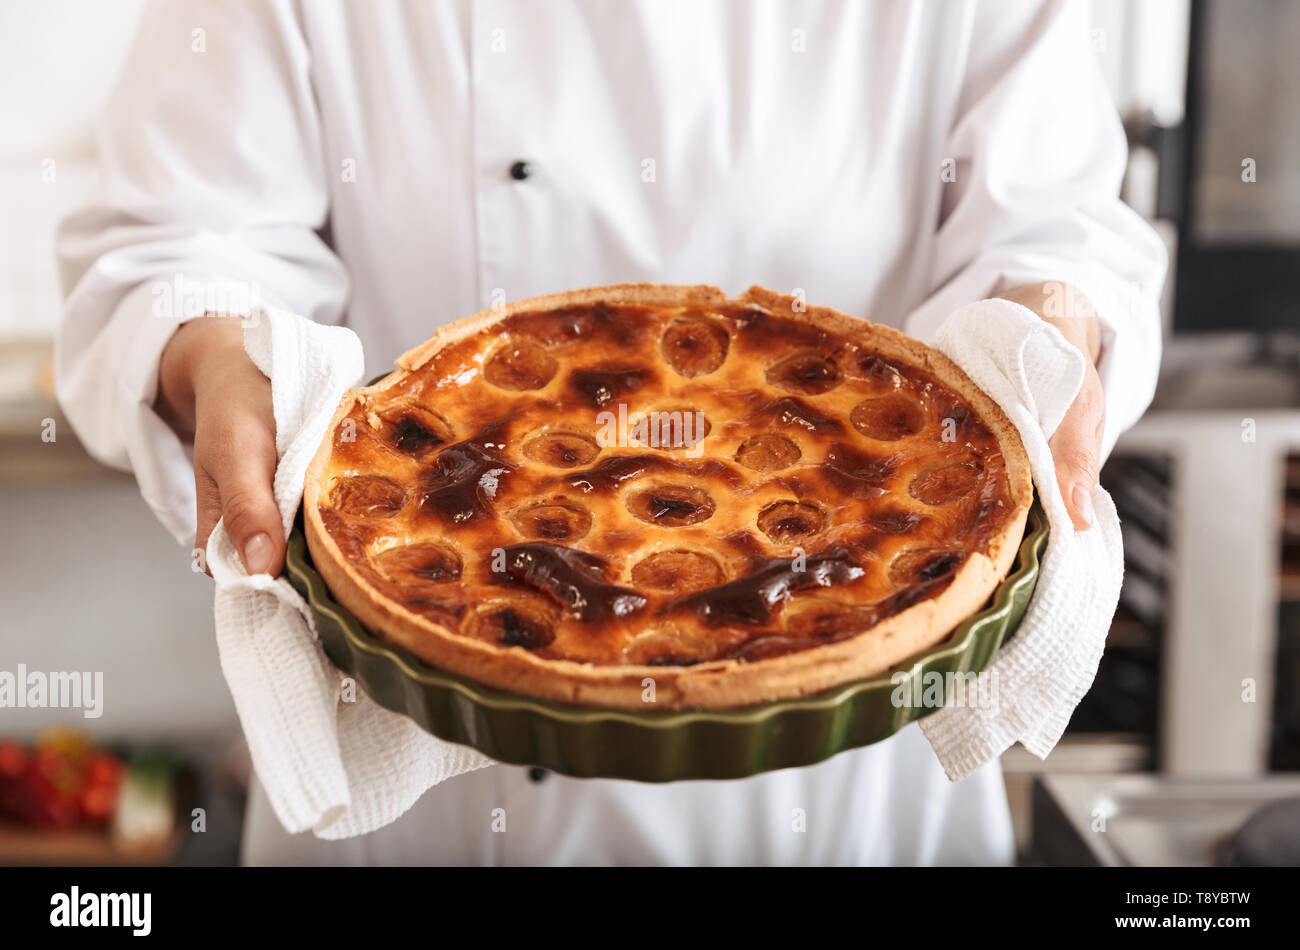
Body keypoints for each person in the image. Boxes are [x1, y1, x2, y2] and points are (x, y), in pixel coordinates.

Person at [56, 0, 1165, 865]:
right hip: (425, 795)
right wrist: (214, 353)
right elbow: (181, 240)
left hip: (850, 792)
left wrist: (1045, 335)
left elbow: (1053, 224)